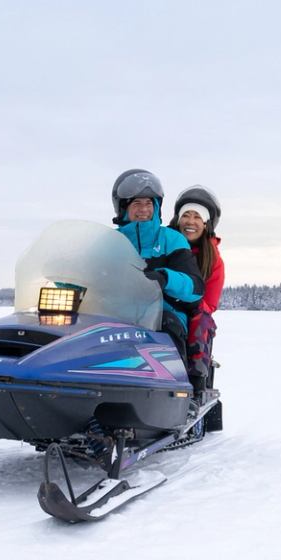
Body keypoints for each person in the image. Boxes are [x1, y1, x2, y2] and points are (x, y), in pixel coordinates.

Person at [110, 169, 204, 369]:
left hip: (163, 314)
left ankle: (175, 386)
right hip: (113, 313)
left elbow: (195, 288)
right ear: (124, 208)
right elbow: (86, 270)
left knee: (169, 327)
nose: (143, 209)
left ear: (157, 207)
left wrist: (165, 278)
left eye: (148, 203)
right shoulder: (109, 241)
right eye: (137, 203)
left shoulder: (172, 239)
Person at [172, 185, 224, 430]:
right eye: (186, 215)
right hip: (153, 300)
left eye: (196, 216)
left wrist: (185, 298)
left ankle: (194, 383)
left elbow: (210, 302)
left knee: (199, 320)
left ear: (206, 224)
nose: (190, 221)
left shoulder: (212, 258)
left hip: (192, 309)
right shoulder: (165, 242)